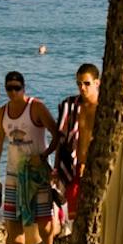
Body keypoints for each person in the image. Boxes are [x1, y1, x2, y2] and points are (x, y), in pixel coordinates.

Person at [0, 70, 61, 244]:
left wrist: (45, 155)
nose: (13, 92)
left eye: (16, 88)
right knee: (13, 220)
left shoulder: (35, 107)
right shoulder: (2, 112)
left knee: (44, 220)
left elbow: (56, 134)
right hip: (13, 174)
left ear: (23, 88)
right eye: (9, 88)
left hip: (37, 175)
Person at [54, 63, 100, 210]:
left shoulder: (105, 109)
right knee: (75, 218)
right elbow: (61, 140)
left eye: (87, 83)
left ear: (97, 83)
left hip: (97, 169)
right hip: (74, 168)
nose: (82, 88)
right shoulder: (70, 106)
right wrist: (56, 169)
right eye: (79, 84)